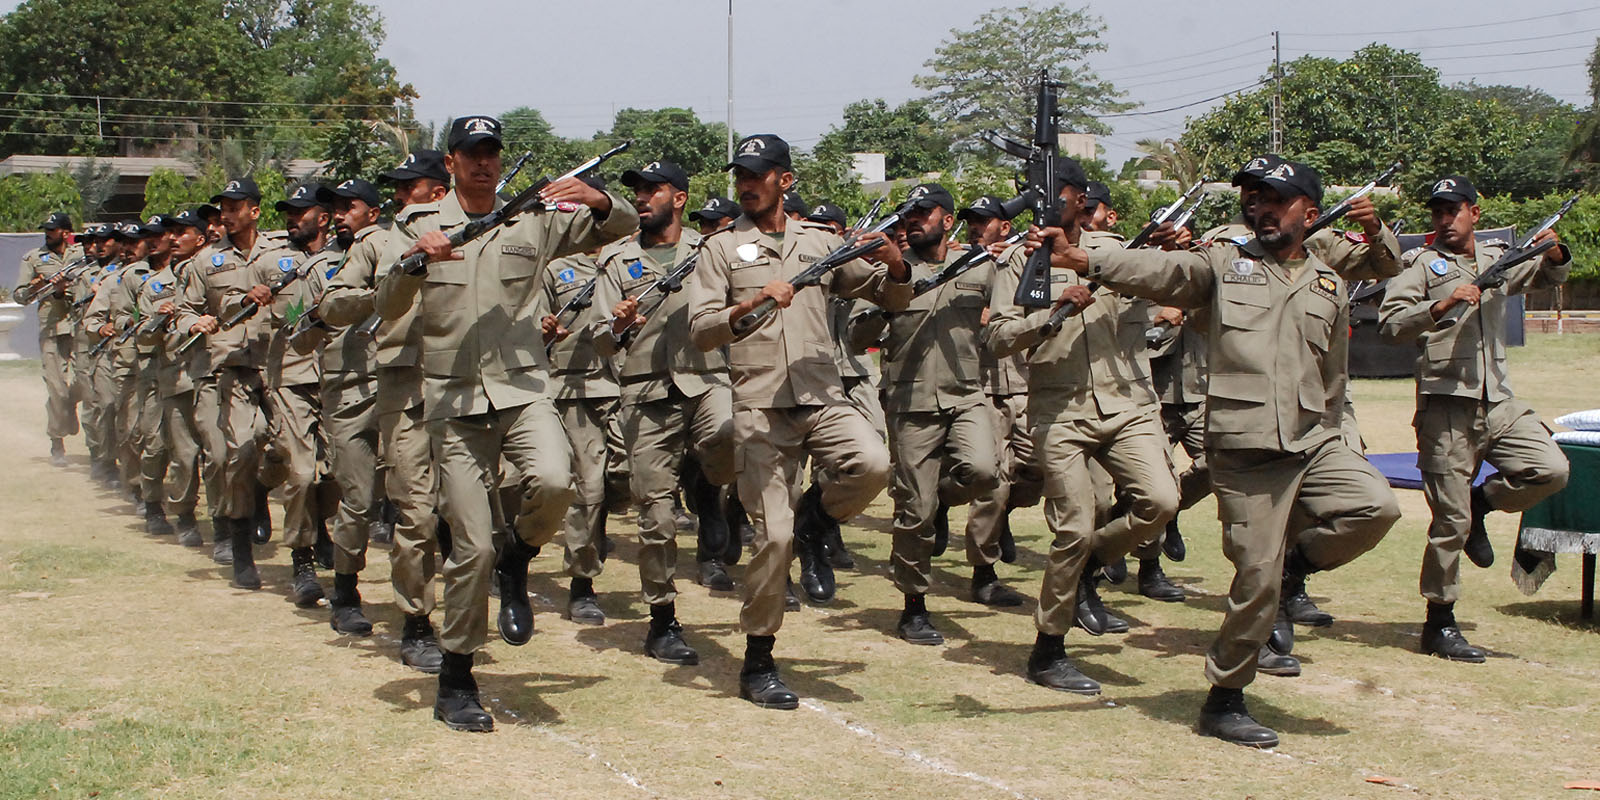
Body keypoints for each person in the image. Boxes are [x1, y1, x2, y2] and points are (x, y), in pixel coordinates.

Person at [1042, 157, 1401, 747]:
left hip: (1313, 440)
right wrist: (1085, 258)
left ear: (1310, 214)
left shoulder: (1329, 285)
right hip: (1246, 449)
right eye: (1252, 199)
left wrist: (1336, 432)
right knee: (1253, 581)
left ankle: (1297, 570)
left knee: (1376, 508)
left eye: (1274, 200)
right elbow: (1160, 270)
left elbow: (1333, 375)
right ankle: (1224, 698)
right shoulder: (1224, 265)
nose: (1259, 208)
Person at [375, 115, 639, 732]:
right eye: (471, 154)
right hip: (453, 400)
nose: (483, 163)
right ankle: (457, 676)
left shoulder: (535, 220)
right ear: (450, 163)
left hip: (523, 388)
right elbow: (385, 303)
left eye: (491, 153)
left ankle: (518, 554)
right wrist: (416, 263)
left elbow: (623, 225)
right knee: (468, 545)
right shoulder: (418, 226)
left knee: (555, 482)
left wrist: (599, 198)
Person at [687, 134, 909, 709]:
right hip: (760, 405)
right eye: (740, 174)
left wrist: (893, 262)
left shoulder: (821, 242)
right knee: (772, 537)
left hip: (821, 393)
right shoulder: (719, 248)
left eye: (758, 174)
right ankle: (759, 658)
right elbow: (703, 329)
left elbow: (892, 298)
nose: (746, 184)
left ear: (785, 180)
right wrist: (754, 303)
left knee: (873, 463)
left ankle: (818, 518)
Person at [985, 159, 1179, 695]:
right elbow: (998, 339)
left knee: (1160, 503)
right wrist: (1052, 315)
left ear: (1078, 202)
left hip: (1128, 402)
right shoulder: (1019, 262)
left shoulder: (1117, 252)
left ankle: (1093, 558)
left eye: (1063, 196)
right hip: (1060, 408)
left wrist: (1172, 251)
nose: (1053, 205)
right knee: (1073, 524)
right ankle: (1049, 649)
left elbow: (1178, 287)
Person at [1378, 175, 1571, 662]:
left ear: (1473, 214)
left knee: (1551, 469)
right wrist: (1441, 303)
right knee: (1450, 520)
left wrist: (1553, 254)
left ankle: (1486, 500)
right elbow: (1391, 324)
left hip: (1499, 399)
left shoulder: (1497, 258)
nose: (1445, 220)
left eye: (1453, 210)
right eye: (1438, 212)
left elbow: (1547, 278)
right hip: (1447, 405)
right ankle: (1439, 621)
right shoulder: (1421, 265)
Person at [598, 158, 736, 661]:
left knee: (730, 433)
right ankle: (662, 619)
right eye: (635, 191)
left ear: (678, 198)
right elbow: (598, 341)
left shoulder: (713, 251)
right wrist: (616, 326)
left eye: (652, 190)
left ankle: (710, 486)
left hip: (708, 378)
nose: (640, 198)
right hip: (646, 393)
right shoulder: (616, 261)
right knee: (654, 516)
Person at [322, 153, 452, 649]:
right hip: (377, 384)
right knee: (365, 498)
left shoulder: (479, 237)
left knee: (461, 509)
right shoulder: (377, 243)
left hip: (451, 384)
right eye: (396, 188)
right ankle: (348, 591)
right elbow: (332, 302)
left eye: (409, 186)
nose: (399, 195)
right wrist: (384, 290)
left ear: (439, 190)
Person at [869, 183, 1002, 645]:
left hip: (966, 394)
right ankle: (914, 605)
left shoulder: (982, 269)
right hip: (911, 404)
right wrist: (888, 288)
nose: (914, 219)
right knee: (914, 511)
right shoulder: (888, 273)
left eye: (925, 212)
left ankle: (945, 496)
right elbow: (855, 332)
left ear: (948, 220)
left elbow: (1012, 307)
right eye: (909, 213)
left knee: (985, 472)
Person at [174, 177, 295, 589]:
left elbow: (302, 302)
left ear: (254, 211)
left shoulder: (282, 254)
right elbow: (182, 312)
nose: (225, 214)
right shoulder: (204, 263)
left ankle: (259, 491)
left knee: (287, 450)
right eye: (222, 207)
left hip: (278, 366)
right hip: (226, 368)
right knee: (234, 454)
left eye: (234, 206)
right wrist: (196, 321)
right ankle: (239, 545)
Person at [241, 184, 335, 607]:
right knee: (301, 472)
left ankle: (265, 488)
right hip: (291, 375)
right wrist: (249, 297)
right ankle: (302, 559)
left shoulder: (348, 257)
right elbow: (231, 306)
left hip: (340, 377)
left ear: (323, 218)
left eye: (301, 212)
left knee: (340, 473)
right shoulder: (266, 263)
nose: (291, 219)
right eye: (287, 213)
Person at [958, 195, 1040, 588]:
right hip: (982, 385)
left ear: (1003, 227)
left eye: (984, 222)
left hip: (1025, 383)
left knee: (1039, 470)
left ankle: (1002, 515)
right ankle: (983, 570)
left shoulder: (1021, 260)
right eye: (972, 221)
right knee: (992, 481)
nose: (976, 228)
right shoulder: (959, 262)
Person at [139, 209, 213, 549]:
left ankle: (228, 519)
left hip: (217, 372)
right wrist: (158, 318)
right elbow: (142, 336)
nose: (172, 237)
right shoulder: (154, 285)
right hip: (178, 377)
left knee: (222, 453)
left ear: (200, 236)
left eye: (181, 231)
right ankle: (184, 515)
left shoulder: (220, 269)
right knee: (184, 455)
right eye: (171, 232)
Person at [13, 212, 85, 467]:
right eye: (46, 229)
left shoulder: (82, 255)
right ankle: (57, 441)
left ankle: (70, 405)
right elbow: (20, 296)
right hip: (52, 328)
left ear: (66, 232)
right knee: (56, 388)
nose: (47, 233)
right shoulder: (34, 258)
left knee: (83, 382)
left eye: (53, 230)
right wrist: (36, 286)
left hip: (81, 327)